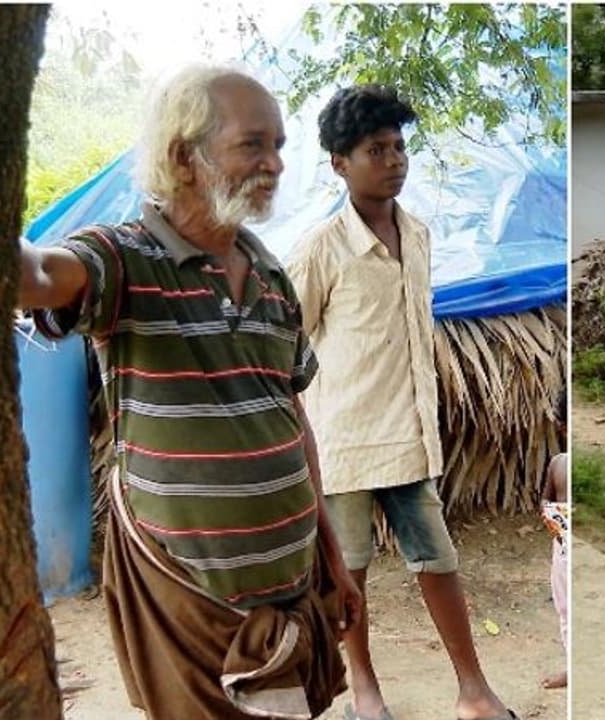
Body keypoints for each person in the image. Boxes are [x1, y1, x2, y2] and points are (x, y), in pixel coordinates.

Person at [18, 65, 360, 719]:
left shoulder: (269, 271)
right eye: (253, 144)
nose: (276, 164)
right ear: (183, 155)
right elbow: (38, 274)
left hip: (293, 591)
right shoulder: (124, 259)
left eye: (280, 146)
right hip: (187, 599)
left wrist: (331, 561)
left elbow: (289, 413)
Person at [286, 85, 514, 720]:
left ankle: (473, 689)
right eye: (375, 149)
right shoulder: (320, 249)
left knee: (438, 560)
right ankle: (364, 688)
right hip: (347, 443)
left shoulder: (417, 235)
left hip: (411, 440)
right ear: (339, 163)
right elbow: (287, 344)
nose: (393, 161)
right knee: (349, 574)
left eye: (399, 147)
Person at [539, 451, 569, 690]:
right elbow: (546, 502)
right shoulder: (558, 463)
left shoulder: (562, 463)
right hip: (563, 546)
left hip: (568, 546)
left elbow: (545, 502)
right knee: (566, 610)